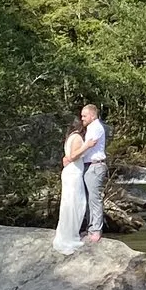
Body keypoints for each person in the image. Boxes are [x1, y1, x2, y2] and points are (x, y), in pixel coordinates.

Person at [53, 121, 88, 253]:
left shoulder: (70, 138)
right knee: (75, 203)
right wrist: (87, 146)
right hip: (73, 173)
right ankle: (70, 235)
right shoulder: (78, 137)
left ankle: (67, 233)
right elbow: (73, 156)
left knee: (69, 203)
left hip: (70, 172)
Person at [78, 101, 109, 243]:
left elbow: (88, 147)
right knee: (89, 198)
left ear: (91, 115)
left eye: (84, 116)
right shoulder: (92, 127)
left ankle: (96, 229)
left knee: (94, 198)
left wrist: (73, 156)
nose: (82, 118)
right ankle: (91, 227)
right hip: (89, 166)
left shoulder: (95, 127)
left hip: (95, 166)